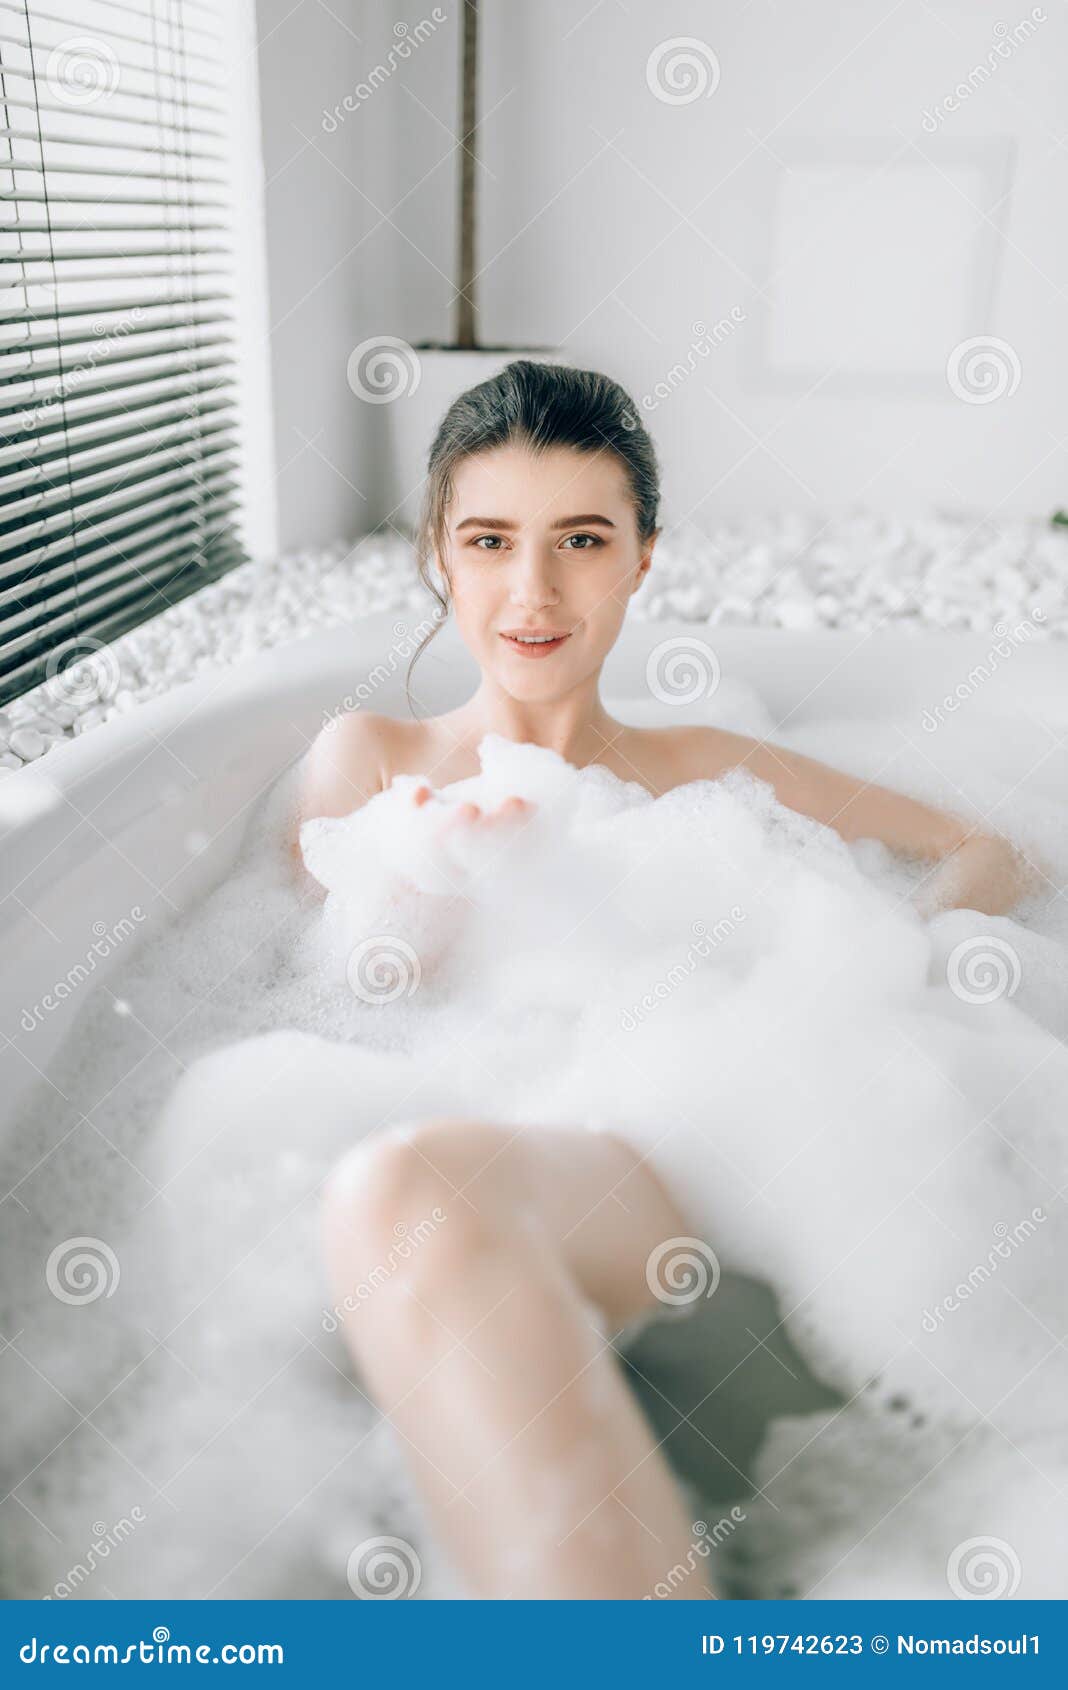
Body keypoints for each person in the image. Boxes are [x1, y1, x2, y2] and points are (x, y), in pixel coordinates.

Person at [295, 360, 1037, 1601]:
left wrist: (877, 976)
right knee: (405, 1194)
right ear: (441, 554)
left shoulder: (707, 766)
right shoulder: (371, 764)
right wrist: (428, 883)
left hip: (735, 1179)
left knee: (414, 1199)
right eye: (491, 541)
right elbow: (332, 1014)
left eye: (581, 540)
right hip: (505, 1184)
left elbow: (990, 847)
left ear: (643, 556)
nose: (532, 591)